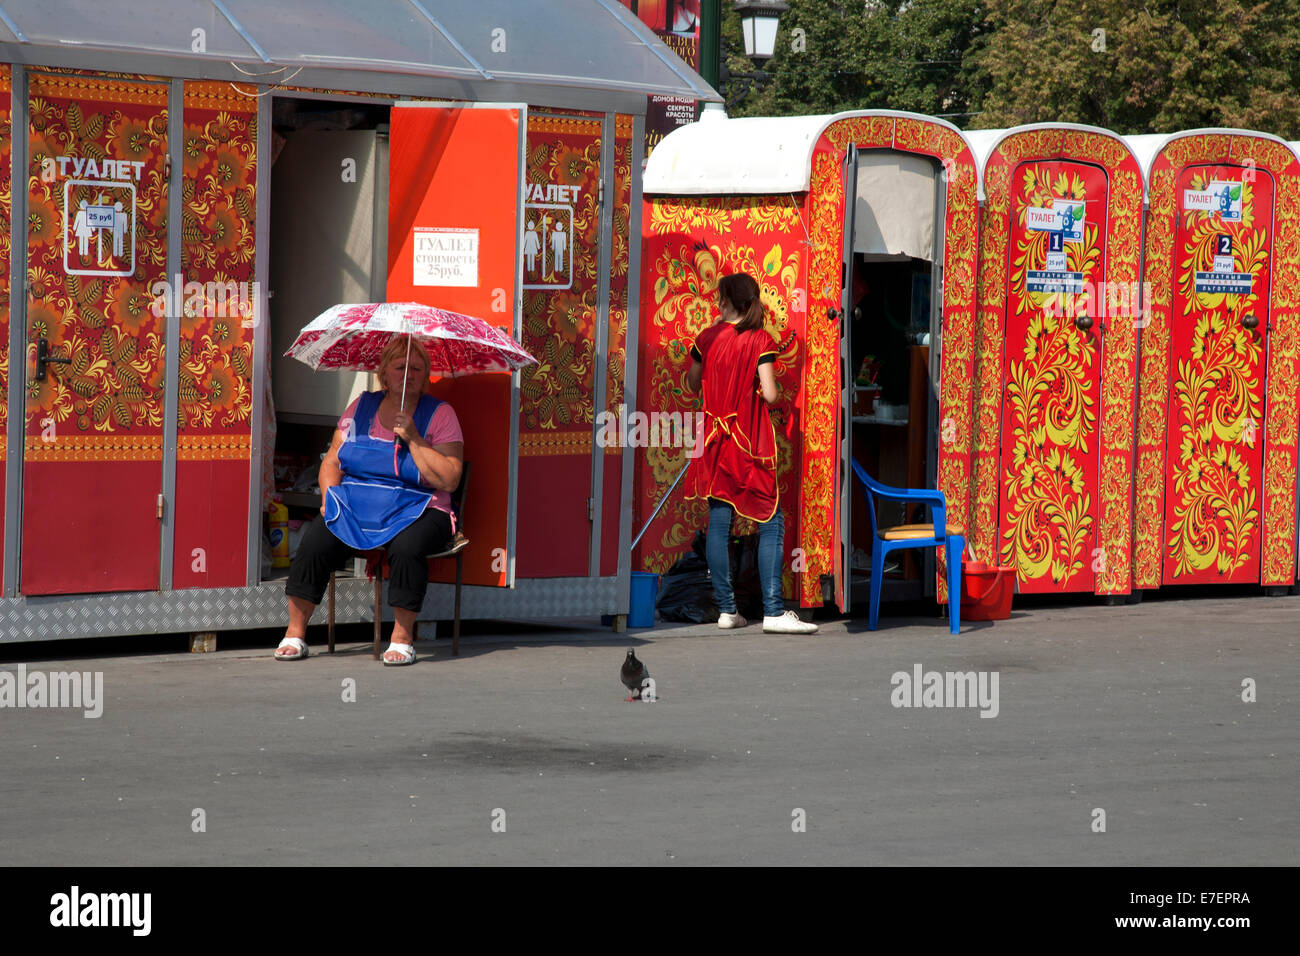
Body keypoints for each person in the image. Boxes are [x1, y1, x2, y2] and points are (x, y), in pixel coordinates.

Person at [275, 335, 464, 665]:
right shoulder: (360, 407)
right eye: (401, 367)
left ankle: (402, 638)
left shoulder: (440, 414)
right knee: (316, 540)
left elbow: (450, 477)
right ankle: (295, 633)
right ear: (384, 372)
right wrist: (329, 495)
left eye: (418, 368)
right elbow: (333, 459)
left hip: (419, 507)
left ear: (426, 374)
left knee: (407, 547)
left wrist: (415, 440)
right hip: (359, 504)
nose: (409, 375)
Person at [685, 273, 818, 634]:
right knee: (771, 521)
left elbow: (692, 383)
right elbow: (772, 394)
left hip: (714, 440)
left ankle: (728, 610)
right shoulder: (760, 340)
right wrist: (759, 395)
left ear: (727, 301)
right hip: (750, 439)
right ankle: (774, 611)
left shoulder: (707, 338)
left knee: (719, 521)